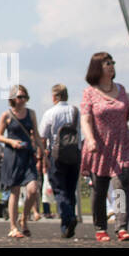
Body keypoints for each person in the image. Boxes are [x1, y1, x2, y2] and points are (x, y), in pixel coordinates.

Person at [79, 52, 129, 242]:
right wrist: (89, 139)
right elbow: (85, 118)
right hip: (99, 146)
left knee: (121, 186)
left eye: (112, 62)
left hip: (122, 144)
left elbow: (123, 116)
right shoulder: (89, 92)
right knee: (100, 189)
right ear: (98, 67)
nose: (111, 66)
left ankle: (121, 227)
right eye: (107, 63)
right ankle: (100, 227)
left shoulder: (121, 89)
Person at [0, 84, 43, 238]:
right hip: (13, 155)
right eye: (19, 97)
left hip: (28, 155)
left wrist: (43, 152)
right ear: (13, 98)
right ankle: (13, 226)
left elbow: (35, 133)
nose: (22, 100)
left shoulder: (31, 113)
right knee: (14, 192)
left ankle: (24, 217)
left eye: (24, 96)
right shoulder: (7, 115)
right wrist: (11, 142)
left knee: (33, 189)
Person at [40, 84, 81, 238]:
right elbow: (79, 133)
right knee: (71, 189)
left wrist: (43, 157)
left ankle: (68, 217)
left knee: (59, 189)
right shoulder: (75, 111)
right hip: (74, 153)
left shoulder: (50, 113)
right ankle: (67, 224)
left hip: (56, 155)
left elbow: (43, 137)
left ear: (54, 97)